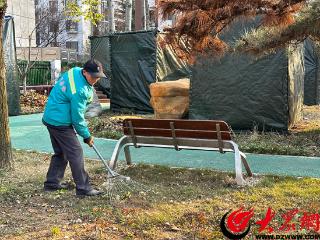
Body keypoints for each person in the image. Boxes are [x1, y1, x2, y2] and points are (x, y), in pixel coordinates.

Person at [42, 59, 106, 197]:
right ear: (85, 72)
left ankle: (52, 183)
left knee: (61, 153)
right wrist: (87, 136)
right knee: (76, 153)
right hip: (60, 123)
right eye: (93, 76)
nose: (96, 79)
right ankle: (83, 188)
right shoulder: (80, 91)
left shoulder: (74, 71)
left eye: (98, 76)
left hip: (50, 117)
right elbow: (77, 118)